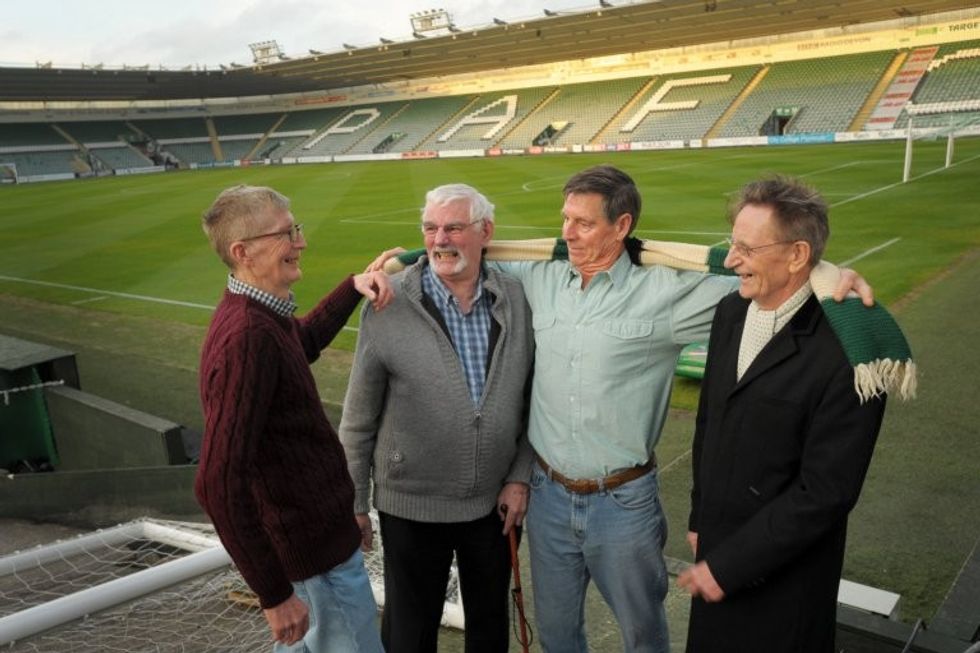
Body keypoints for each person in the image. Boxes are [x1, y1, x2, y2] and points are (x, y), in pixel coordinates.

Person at [369, 165, 872, 652]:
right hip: (546, 499)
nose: (568, 234)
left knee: (642, 636)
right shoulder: (537, 278)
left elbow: (770, 279)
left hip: (623, 503)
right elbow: (456, 254)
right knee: (559, 635)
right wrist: (388, 269)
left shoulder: (670, 295)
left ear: (622, 226)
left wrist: (832, 276)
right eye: (565, 219)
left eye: (584, 223)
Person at [678, 176, 887, 652]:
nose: (732, 262)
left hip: (785, 583)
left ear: (796, 256)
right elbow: (710, 422)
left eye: (746, 250)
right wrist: (699, 517)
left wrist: (729, 565)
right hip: (716, 553)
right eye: (733, 245)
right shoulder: (730, 312)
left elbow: (826, 493)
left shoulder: (851, 350)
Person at [194, 184, 390, 653]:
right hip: (312, 570)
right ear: (243, 252)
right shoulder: (248, 336)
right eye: (286, 233)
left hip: (317, 556)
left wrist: (352, 287)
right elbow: (217, 483)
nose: (300, 242)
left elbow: (299, 344)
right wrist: (275, 595)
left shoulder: (261, 315)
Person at [339, 183, 534, 653]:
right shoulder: (388, 302)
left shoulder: (515, 298)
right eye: (430, 228)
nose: (440, 239)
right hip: (411, 506)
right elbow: (358, 417)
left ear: (486, 231)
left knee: (490, 630)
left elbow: (532, 402)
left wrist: (520, 476)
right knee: (410, 632)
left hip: (494, 506)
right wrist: (355, 503)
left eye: (453, 227)